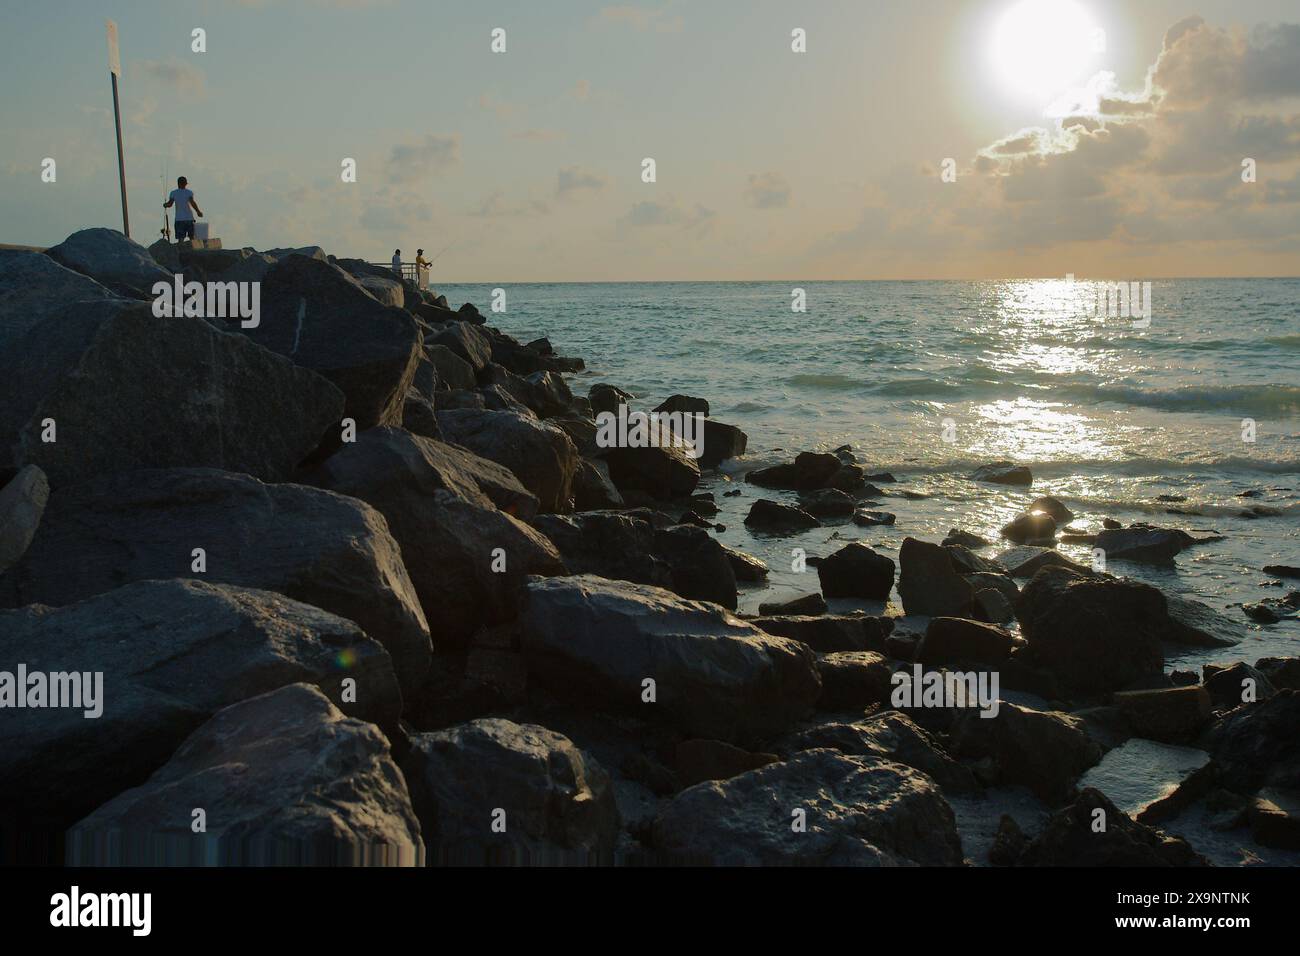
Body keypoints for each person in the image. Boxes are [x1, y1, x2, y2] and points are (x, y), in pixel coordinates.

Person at [163, 176, 202, 242]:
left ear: (178, 183)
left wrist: (165, 205)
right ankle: (193, 251)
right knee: (192, 238)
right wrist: (198, 211)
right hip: (189, 218)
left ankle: (181, 251)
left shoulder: (173, 193)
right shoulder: (189, 192)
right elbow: (192, 203)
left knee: (181, 239)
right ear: (185, 183)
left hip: (179, 219)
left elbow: (170, 204)